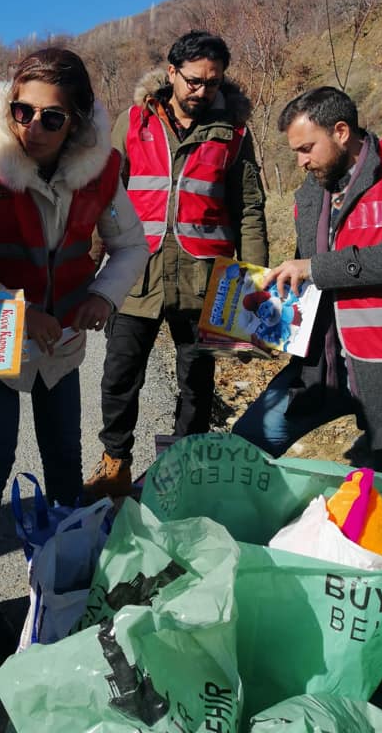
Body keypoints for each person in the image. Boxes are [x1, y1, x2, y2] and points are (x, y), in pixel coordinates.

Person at [0, 47, 148, 650]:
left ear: (77, 120)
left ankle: (60, 571)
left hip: (63, 343)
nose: (32, 128)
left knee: (62, 456)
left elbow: (131, 246)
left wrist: (103, 295)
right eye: (22, 111)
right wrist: (19, 311)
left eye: (52, 118)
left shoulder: (100, 170)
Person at [83, 30, 268, 501]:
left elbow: (249, 208)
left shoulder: (234, 133)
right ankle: (115, 464)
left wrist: (253, 284)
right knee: (120, 375)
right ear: (171, 73)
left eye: (212, 82)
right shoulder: (132, 122)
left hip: (203, 279)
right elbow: (100, 196)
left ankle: (184, 466)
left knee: (196, 381)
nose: (201, 91)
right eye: (193, 80)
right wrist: (86, 266)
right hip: (136, 275)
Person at [232, 85, 382, 477]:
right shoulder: (312, 192)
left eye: (307, 148)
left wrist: (315, 267)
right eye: (295, 152)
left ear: (341, 131)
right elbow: (310, 282)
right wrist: (267, 325)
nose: (301, 162)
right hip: (322, 365)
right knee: (246, 443)